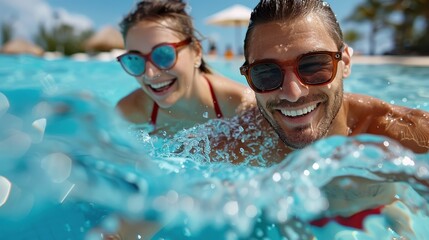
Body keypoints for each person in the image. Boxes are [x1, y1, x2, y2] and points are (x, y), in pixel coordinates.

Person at [115, 0, 254, 135]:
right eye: (135, 60)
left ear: (197, 52)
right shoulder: (128, 112)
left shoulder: (244, 107)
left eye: (164, 54)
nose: (150, 74)